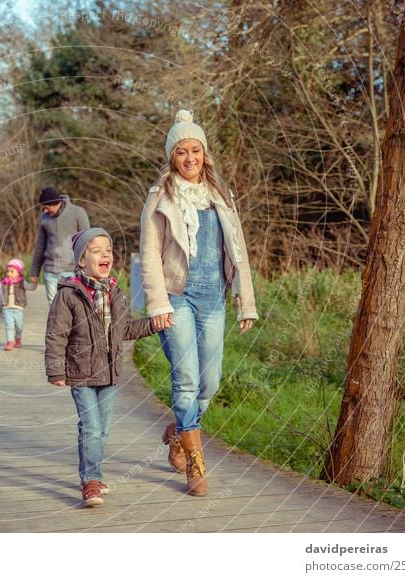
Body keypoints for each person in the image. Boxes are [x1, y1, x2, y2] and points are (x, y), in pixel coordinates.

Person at [139, 110, 258, 496]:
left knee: (210, 382)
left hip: (213, 297)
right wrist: (158, 304)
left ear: (204, 154)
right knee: (187, 379)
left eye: (195, 150)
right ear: (171, 157)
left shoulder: (221, 194)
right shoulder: (161, 195)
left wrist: (245, 300)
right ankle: (195, 463)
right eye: (181, 152)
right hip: (177, 297)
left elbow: (237, 250)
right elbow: (150, 252)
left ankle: (179, 432)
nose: (189, 158)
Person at [45, 227, 169, 507]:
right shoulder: (68, 294)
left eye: (108, 250)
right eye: (96, 250)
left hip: (110, 373)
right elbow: (56, 333)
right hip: (80, 371)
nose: (105, 254)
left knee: (103, 429)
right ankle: (90, 481)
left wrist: (152, 323)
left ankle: (95, 477)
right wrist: (56, 369)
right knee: (90, 427)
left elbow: (124, 330)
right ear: (81, 260)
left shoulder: (115, 292)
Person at [30, 187, 90, 304]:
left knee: (71, 306)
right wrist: (34, 271)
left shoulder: (78, 213)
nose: (44, 211)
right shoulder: (44, 218)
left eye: (46, 207)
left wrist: (87, 269)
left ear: (53, 204)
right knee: (53, 308)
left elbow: (87, 241)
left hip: (71, 271)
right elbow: (40, 246)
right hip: (50, 272)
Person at [0, 258, 28, 351]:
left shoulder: (22, 283)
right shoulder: (4, 284)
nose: (9, 273)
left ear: (18, 273)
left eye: (12, 271)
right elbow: (0, 296)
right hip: (7, 308)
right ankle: (10, 342)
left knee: (19, 326)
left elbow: (31, 287)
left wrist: (35, 282)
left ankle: (18, 338)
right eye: (8, 271)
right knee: (9, 325)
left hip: (18, 309)